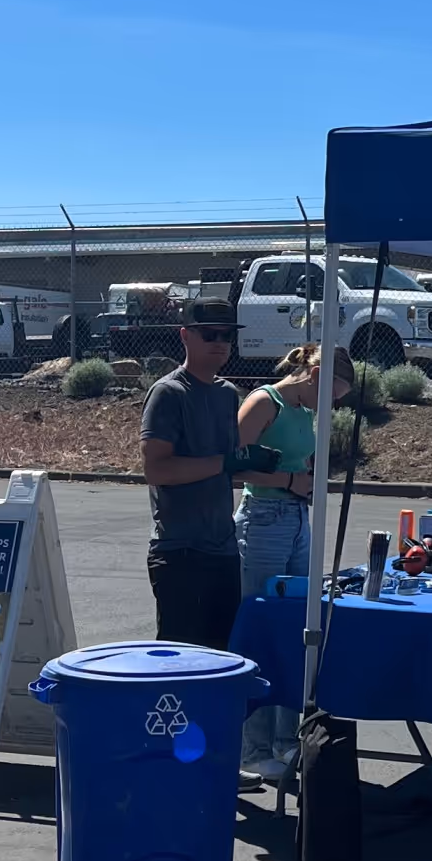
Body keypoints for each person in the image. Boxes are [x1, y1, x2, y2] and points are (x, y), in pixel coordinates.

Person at [231, 345, 352, 778]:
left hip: (297, 518)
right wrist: (288, 480)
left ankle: (285, 741)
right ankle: (252, 747)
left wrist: (313, 474)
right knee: (263, 629)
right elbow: (233, 465)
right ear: (314, 373)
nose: (334, 404)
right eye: (332, 393)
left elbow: (304, 458)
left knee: (295, 629)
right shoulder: (266, 402)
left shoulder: (304, 411)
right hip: (263, 519)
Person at [140, 304, 245, 650]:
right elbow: (157, 469)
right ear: (185, 336)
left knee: (222, 657)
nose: (220, 342)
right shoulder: (169, 393)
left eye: (227, 335)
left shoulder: (228, 394)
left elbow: (228, 463)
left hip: (223, 549)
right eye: (209, 334)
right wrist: (224, 462)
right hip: (180, 552)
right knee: (179, 662)